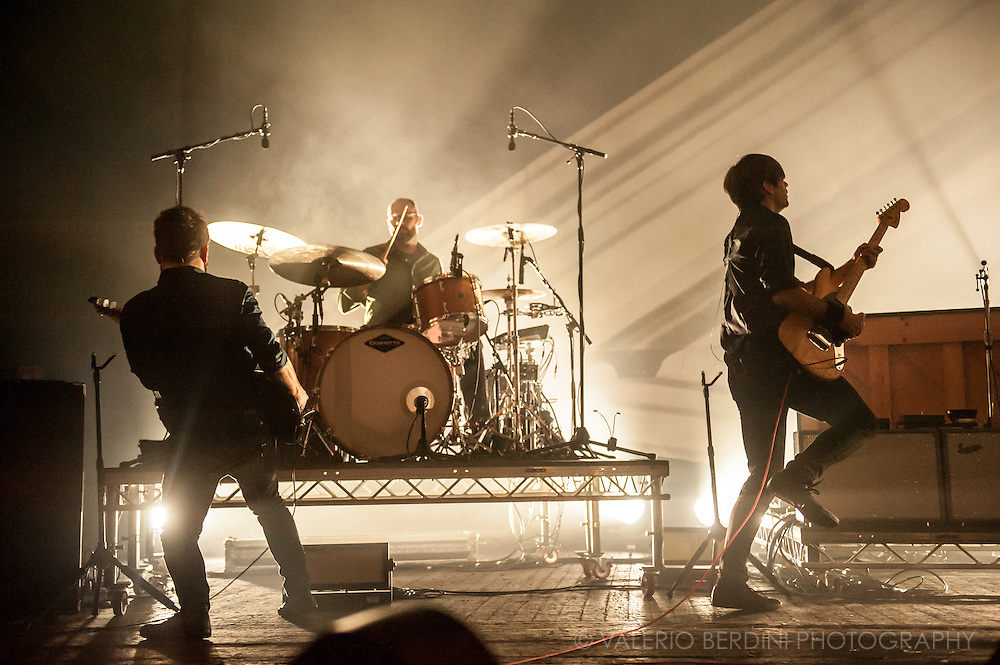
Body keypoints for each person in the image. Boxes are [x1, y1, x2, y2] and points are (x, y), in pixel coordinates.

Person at [119, 206, 315, 639]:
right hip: (247, 428)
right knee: (269, 508)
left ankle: (195, 615)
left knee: (178, 531)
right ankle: (302, 598)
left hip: (193, 436)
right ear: (205, 251)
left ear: (157, 253)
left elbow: (149, 375)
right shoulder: (233, 293)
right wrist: (297, 394)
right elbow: (271, 354)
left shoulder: (135, 311)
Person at [715, 154, 880, 611]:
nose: (788, 188)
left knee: (762, 474)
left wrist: (849, 268)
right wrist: (837, 315)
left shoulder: (740, 231)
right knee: (860, 422)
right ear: (767, 185)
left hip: (752, 363)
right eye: (783, 181)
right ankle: (798, 479)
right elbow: (784, 295)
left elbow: (790, 290)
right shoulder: (772, 227)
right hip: (772, 363)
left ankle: (732, 578)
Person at [340, 197, 489, 426]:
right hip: (382, 334)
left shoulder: (431, 262)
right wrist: (367, 276)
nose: (400, 222)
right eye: (394, 218)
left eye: (406, 217)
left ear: (418, 220)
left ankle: (479, 425)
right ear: (388, 223)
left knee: (469, 343)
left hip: (421, 337)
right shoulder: (372, 255)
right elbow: (345, 303)